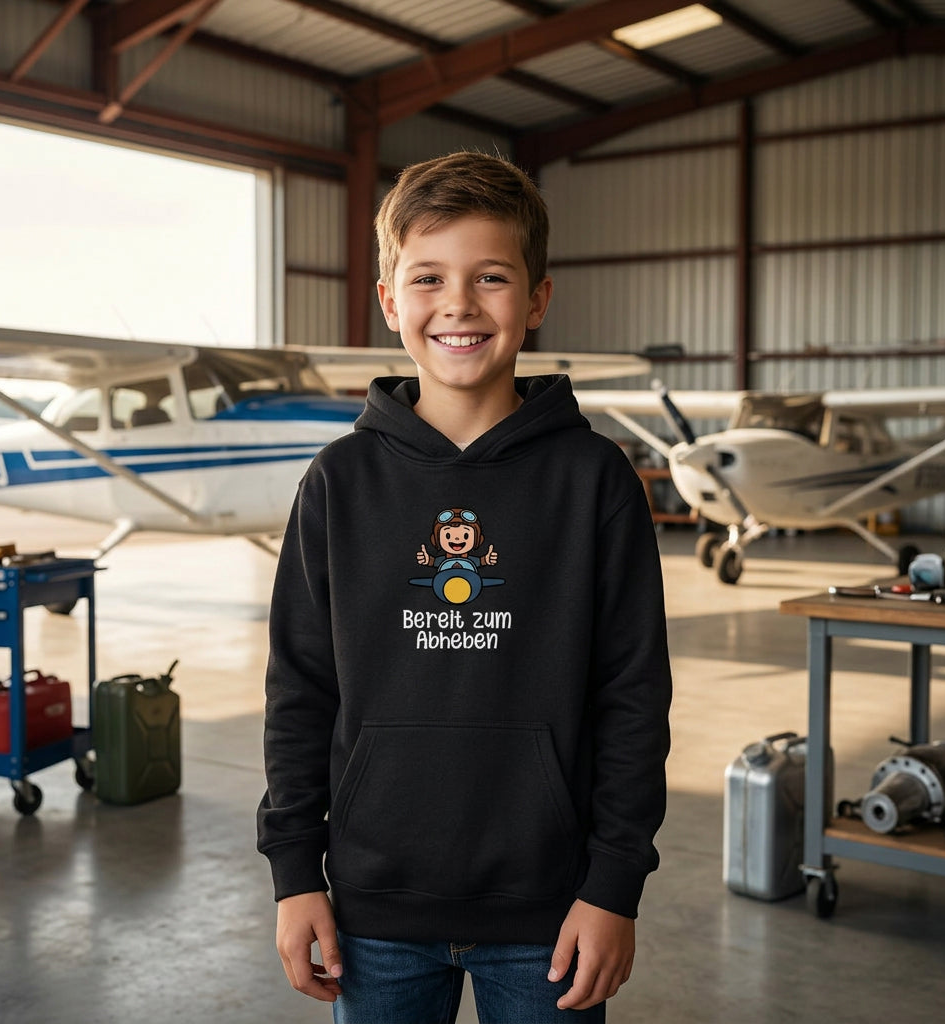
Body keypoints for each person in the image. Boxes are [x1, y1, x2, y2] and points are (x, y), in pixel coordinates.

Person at [257, 150, 672, 1023]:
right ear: (389, 301)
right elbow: (300, 687)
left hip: (552, 911)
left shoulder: (595, 480)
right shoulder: (338, 482)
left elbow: (633, 694)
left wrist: (614, 884)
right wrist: (295, 872)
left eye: (491, 276)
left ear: (538, 298)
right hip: (373, 913)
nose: (459, 304)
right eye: (428, 278)